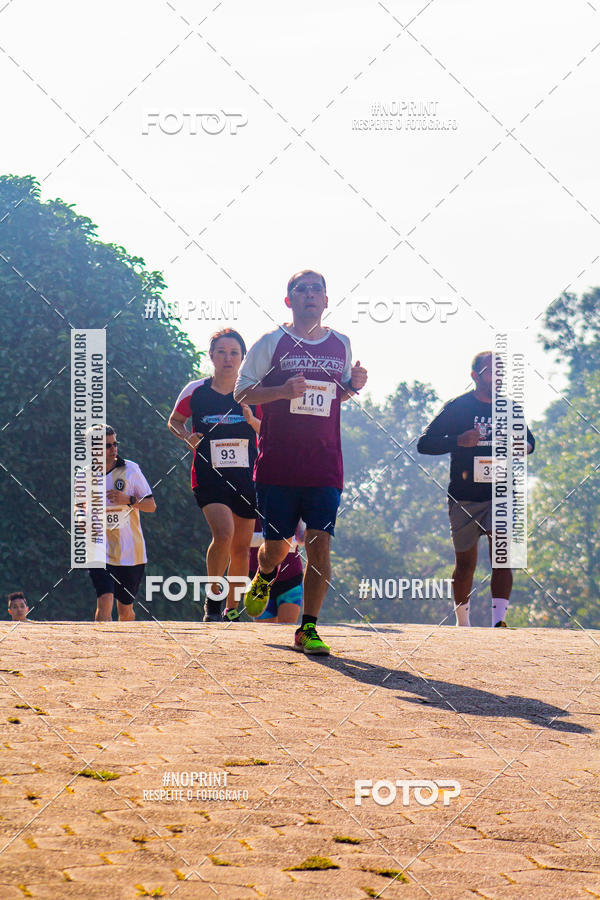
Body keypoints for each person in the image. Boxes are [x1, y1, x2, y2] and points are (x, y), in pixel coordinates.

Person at [234, 269, 367, 654]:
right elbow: (244, 391)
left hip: (325, 462)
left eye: (316, 290)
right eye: (301, 289)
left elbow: (335, 395)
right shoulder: (272, 342)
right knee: (277, 547)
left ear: (326, 300)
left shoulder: (340, 343)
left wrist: (353, 385)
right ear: (288, 300)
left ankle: (307, 628)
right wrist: (280, 390)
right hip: (278, 462)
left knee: (319, 542)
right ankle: (265, 573)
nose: (309, 295)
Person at [417, 350, 535, 627]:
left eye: (501, 371)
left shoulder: (511, 408)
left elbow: (530, 442)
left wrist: (523, 447)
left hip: (501, 495)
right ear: (474, 376)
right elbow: (424, 443)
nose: (499, 376)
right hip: (464, 497)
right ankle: (463, 623)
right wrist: (458, 439)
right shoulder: (458, 407)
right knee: (466, 563)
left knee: (503, 558)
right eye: (491, 371)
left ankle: (498, 622)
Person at [168, 328, 259, 622]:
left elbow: (269, 430)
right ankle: (214, 600)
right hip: (209, 475)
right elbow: (175, 421)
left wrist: (253, 421)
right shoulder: (196, 390)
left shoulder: (254, 392)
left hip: (247, 477)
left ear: (243, 358)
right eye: (221, 352)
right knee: (223, 533)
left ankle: (233, 609)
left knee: (242, 547)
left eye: (234, 353)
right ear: (211, 356)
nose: (228, 358)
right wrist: (186, 437)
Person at [83, 425, 156, 622]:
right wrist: (82, 518)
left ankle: (125, 648)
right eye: (107, 445)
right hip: (99, 548)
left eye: (115, 443)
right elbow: (79, 508)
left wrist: (129, 500)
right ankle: (102, 648)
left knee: (125, 610)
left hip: (130, 552)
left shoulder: (131, 469)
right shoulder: (84, 475)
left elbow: (151, 505)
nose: (113, 448)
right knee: (104, 600)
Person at [249, 518, 304, 624]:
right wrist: (280, 541)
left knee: (287, 629)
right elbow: (240, 540)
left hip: (291, 577)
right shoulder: (251, 506)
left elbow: (302, 538)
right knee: (265, 632)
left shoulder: (292, 505)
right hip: (260, 579)